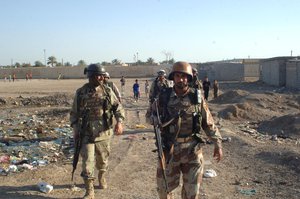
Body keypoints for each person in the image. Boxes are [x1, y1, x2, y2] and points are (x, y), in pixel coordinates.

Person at [153, 61, 223, 199]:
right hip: (169, 151)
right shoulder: (164, 97)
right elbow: (150, 117)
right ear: (173, 78)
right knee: (164, 190)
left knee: (192, 194)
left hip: (192, 151)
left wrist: (217, 144)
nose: (181, 79)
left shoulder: (196, 98)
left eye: (184, 76)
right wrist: (158, 120)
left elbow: (208, 123)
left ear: (189, 78)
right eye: (178, 76)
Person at [70, 64, 125, 199]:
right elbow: (74, 114)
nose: (101, 78)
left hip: (103, 134)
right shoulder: (81, 93)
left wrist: (119, 122)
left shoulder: (107, 91)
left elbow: (118, 108)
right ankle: (89, 191)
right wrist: (76, 128)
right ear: (90, 76)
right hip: (86, 134)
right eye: (98, 75)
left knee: (102, 162)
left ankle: (102, 176)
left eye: (102, 75)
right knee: (87, 163)